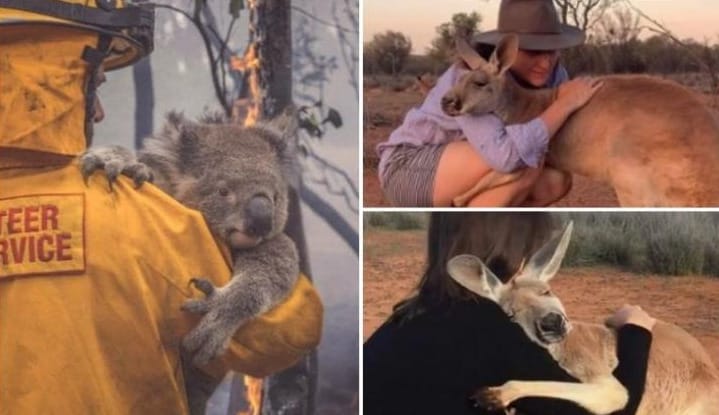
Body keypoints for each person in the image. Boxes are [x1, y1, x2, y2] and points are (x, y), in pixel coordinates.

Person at [0, 1, 322, 414]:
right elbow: (291, 331)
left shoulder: (124, 182)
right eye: (92, 86)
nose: (99, 110)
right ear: (47, 79)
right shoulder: (142, 218)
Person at [364, 213, 655, 414]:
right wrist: (636, 331)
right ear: (516, 256)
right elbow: (613, 408)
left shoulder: (399, 321)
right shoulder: (492, 332)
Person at [376, 0, 604, 207]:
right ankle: (471, 227)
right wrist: (564, 104)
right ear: (507, 52)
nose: (545, 63)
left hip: (470, 163)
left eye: (552, 51)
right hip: (409, 168)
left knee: (556, 181)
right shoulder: (474, 81)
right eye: (534, 52)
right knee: (527, 161)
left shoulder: (554, 74)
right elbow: (506, 157)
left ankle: (496, 224)